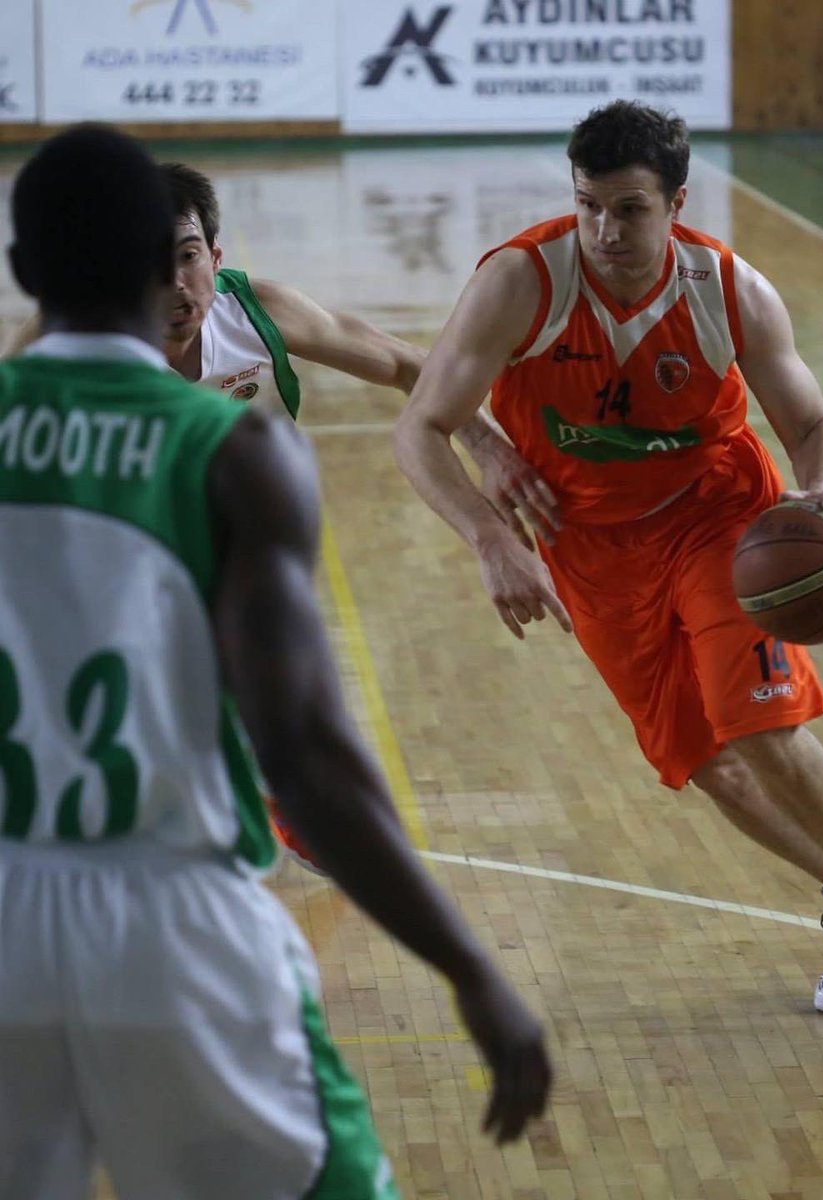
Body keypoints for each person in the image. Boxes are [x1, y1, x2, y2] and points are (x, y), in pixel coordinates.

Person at [0, 123, 551, 1200]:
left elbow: (403, 364)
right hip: (166, 909)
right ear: (145, 267)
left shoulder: (240, 328)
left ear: (27, 275)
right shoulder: (233, 455)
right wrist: (470, 969)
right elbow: (308, 750)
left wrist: (482, 440)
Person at [392, 100, 823, 1017]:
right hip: (588, 549)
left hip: (720, 523)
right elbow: (421, 424)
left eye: (628, 209)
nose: (603, 229)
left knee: (757, 722)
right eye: (587, 205)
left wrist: (819, 489)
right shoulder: (519, 283)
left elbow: (813, 425)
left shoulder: (730, 290)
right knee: (709, 764)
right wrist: (490, 536)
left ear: (677, 202)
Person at [4, 160, 561, 872]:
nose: (176, 285)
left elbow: (402, 364)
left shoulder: (257, 312)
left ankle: (275, 805)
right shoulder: (64, 342)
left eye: (187, 257)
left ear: (215, 256)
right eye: (147, 263)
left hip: (240, 551)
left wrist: (485, 444)